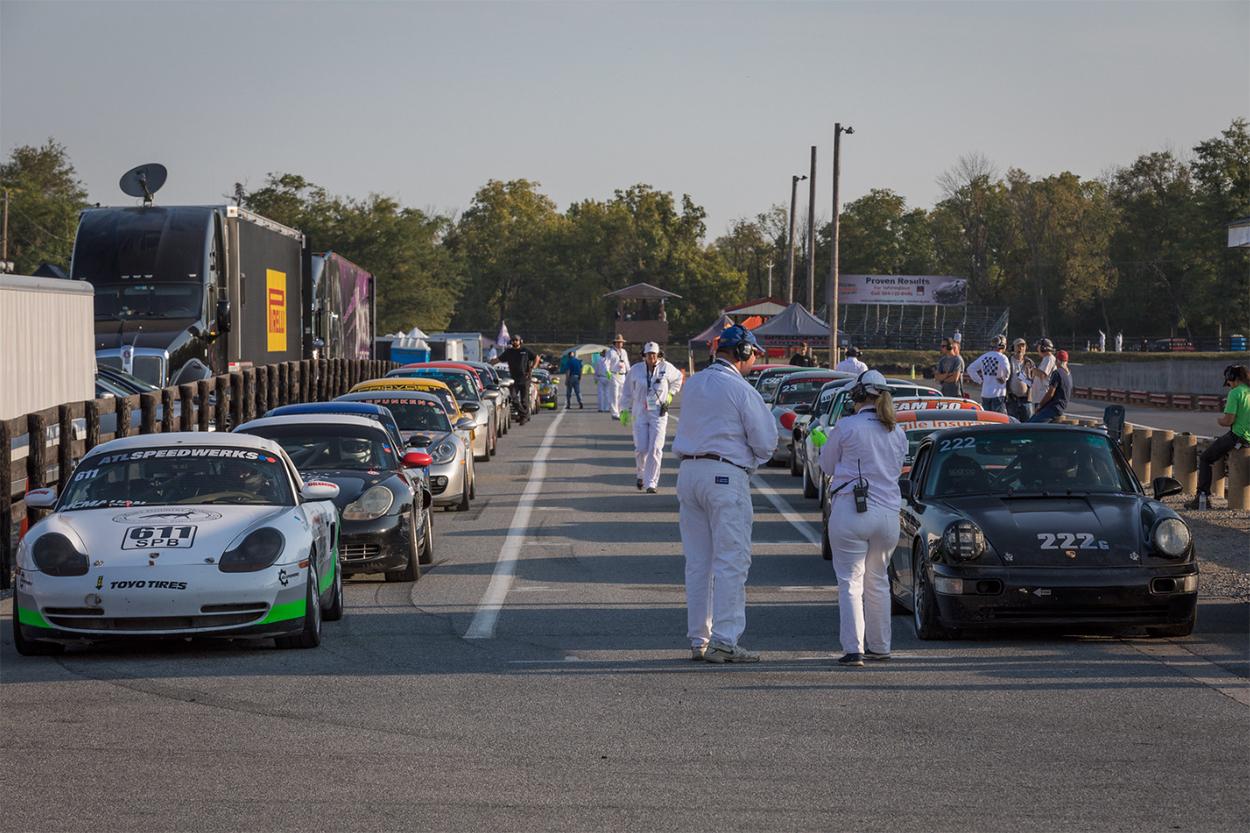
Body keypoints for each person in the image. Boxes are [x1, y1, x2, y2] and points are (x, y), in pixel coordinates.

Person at [671, 325, 777, 663]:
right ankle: (725, 639)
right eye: (753, 354)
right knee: (732, 560)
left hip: (689, 473)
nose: (754, 360)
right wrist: (751, 460)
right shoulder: (741, 389)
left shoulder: (696, 383)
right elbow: (766, 442)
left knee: (698, 562)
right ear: (743, 352)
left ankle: (699, 638)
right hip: (724, 475)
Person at [818, 369, 908, 667]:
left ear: (858, 395)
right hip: (887, 515)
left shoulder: (847, 426)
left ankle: (854, 648)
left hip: (852, 511)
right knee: (879, 580)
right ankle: (880, 646)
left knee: (850, 582)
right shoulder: (897, 431)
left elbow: (827, 465)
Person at [621, 342, 684, 493]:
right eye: (649, 354)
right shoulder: (635, 370)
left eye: (654, 354)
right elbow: (626, 391)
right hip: (640, 412)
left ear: (658, 354)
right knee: (642, 448)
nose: (652, 357)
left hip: (659, 413)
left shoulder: (666, 367)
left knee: (656, 448)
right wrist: (623, 410)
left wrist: (669, 396)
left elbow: (679, 378)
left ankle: (652, 483)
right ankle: (641, 474)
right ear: (644, 355)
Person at [1187, 365, 1250, 510]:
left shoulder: (1235, 393)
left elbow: (1229, 421)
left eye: (1228, 382)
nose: (1228, 385)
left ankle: (1202, 497)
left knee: (1206, 458)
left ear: (1232, 378)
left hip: (1238, 437)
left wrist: (1219, 421)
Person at [498, 335, 539, 425]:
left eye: (516, 340)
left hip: (525, 378)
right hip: (513, 379)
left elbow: (536, 357)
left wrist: (533, 368)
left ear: (520, 341)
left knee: (524, 400)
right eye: (513, 340)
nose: (514, 342)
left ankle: (523, 417)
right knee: (513, 397)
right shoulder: (509, 352)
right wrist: (488, 363)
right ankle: (524, 414)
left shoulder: (525, 350)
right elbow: (498, 359)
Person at [965, 335, 1010, 413]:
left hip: (985, 394)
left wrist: (980, 381)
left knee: (988, 420)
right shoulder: (1003, 358)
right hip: (998, 395)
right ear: (1002, 345)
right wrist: (1003, 379)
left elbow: (970, 369)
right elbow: (1007, 374)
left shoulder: (984, 357)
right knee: (999, 421)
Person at [1028, 349, 1072, 422]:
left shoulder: (1057, 373)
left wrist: (1040, 405)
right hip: (1062, 407)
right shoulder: (1069, 374)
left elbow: (1050, 393)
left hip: (1053, 407)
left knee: (1031, 424)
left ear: (1057, 360)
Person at [1006, 338, 1034, 422]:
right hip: (1012, 398)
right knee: (1012, 423)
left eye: (1023, 346)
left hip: (1026, 399)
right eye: (1018, 346)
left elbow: (1034, 379)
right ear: (1013, 348)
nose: (1021, 348)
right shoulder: (1008, 360)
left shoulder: (1029, 362)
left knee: (1028, 423)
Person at [603, 335, 631, 419]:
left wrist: (630, 373)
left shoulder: (624, 352)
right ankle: (614, 413)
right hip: (614, 374)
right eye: (618, 342)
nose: (620, 344)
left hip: (622, 375)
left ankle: (620, 411)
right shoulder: (610, 352)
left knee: (622, 395)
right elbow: (606, 363)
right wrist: (607, 371)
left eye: (621, 342)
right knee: (614, 395)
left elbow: (626, 363)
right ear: (615, 343)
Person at [1028, 338, 1057, 416]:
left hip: (1042, 397)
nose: (1037, 349)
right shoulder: (1046, 359)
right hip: (1039, 396)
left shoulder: (1049, 359)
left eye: (1038, 346)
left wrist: (1032, 369)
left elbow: (1042, 374)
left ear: (1043, 348)